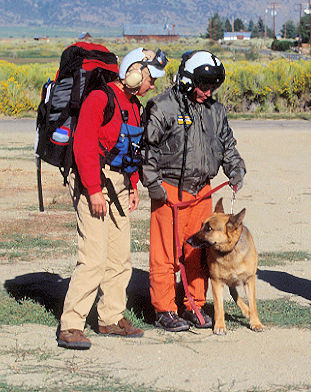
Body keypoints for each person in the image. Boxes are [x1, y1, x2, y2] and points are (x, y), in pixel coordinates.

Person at [58, 47, 167, 349]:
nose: (152, 85)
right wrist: (93, 189)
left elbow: (129, 148)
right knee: (93, 258)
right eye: (150, 78)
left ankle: (110, 318)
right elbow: (83, 146)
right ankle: (71, 324)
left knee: (120, 259)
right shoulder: (99, 98)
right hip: (93, 181)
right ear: (133, 73)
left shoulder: (132, 105)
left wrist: (133, 184)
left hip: (119, 184)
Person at [142, 50, 246, 332]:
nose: (208, 91)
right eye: (203, 85)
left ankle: (194, 305)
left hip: (202, 192)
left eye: (213, 86)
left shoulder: (216, 111)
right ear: (187, 80)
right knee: (166, 253)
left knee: (198, 252)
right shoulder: (161, 108)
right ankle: (165, 309)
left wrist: (236, 170)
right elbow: (148, 151)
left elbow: (228, 147)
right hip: (168, 190)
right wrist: (154, 186)